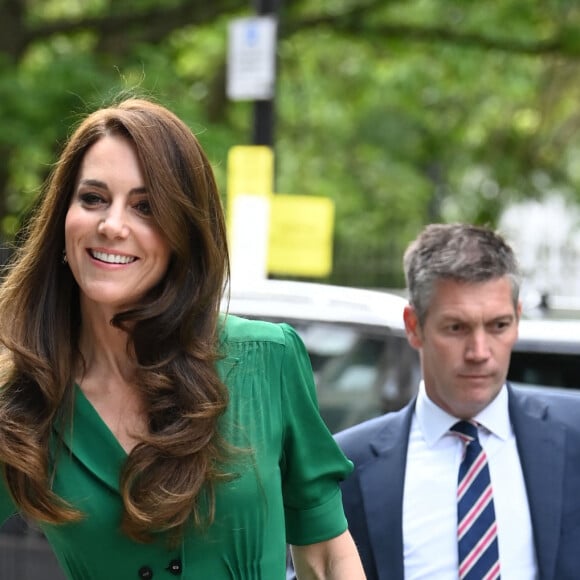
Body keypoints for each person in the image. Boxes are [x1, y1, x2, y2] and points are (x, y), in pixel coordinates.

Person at [0, 97, 366, 579]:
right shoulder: (25, 400)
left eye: (146, 207)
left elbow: (326, 557)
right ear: (62, 221)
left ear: (182, 233)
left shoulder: (267, 359)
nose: (112, 225)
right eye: (92, 198)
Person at [334, 223, 580, 580]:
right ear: (414, 326)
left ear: (517, 320)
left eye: (498, 326)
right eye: (456, 328)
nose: (480, 352)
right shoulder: (349, 466)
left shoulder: (573, 436)